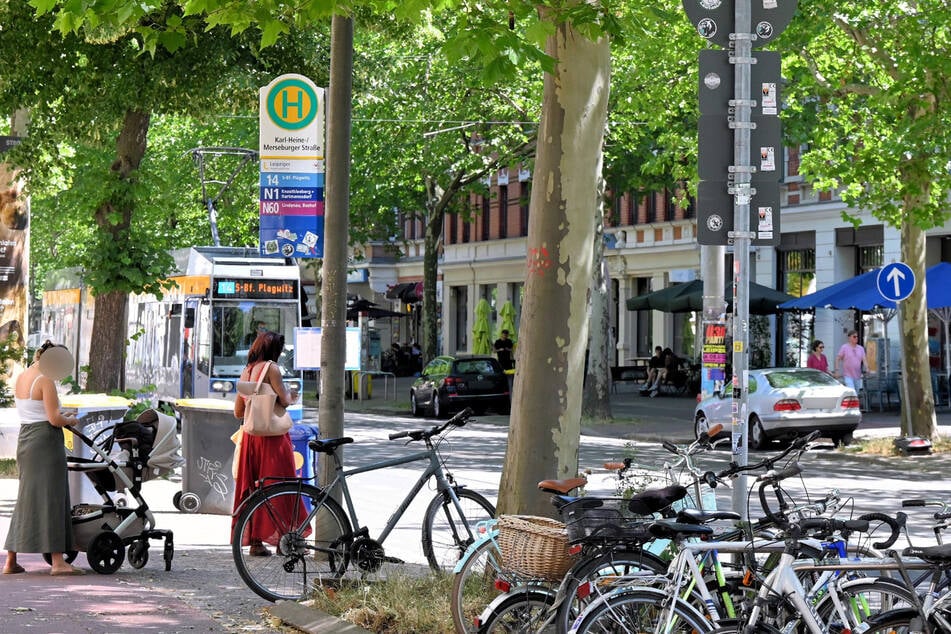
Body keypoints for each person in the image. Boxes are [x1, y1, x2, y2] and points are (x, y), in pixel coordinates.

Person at [3, 341, 84, 576]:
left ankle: (11, 560)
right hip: (46, 441)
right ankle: (58, 562)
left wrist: (61, 416)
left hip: (26, 439)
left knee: (26, 498)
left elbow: (34, 411)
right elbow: (53, 419)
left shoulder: (22, 376)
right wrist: (69, 419)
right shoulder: (45, 380)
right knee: (52, 497)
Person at [232, 330, 303, 557]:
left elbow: (237, 412)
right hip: (273, 440)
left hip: (251, 438)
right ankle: (284, 540)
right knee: (280, 486)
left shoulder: (247, 371)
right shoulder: (272, 368)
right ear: (275, 350)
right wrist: (291, 396)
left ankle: (255, 542)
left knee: (254, 488)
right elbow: (283, 399)